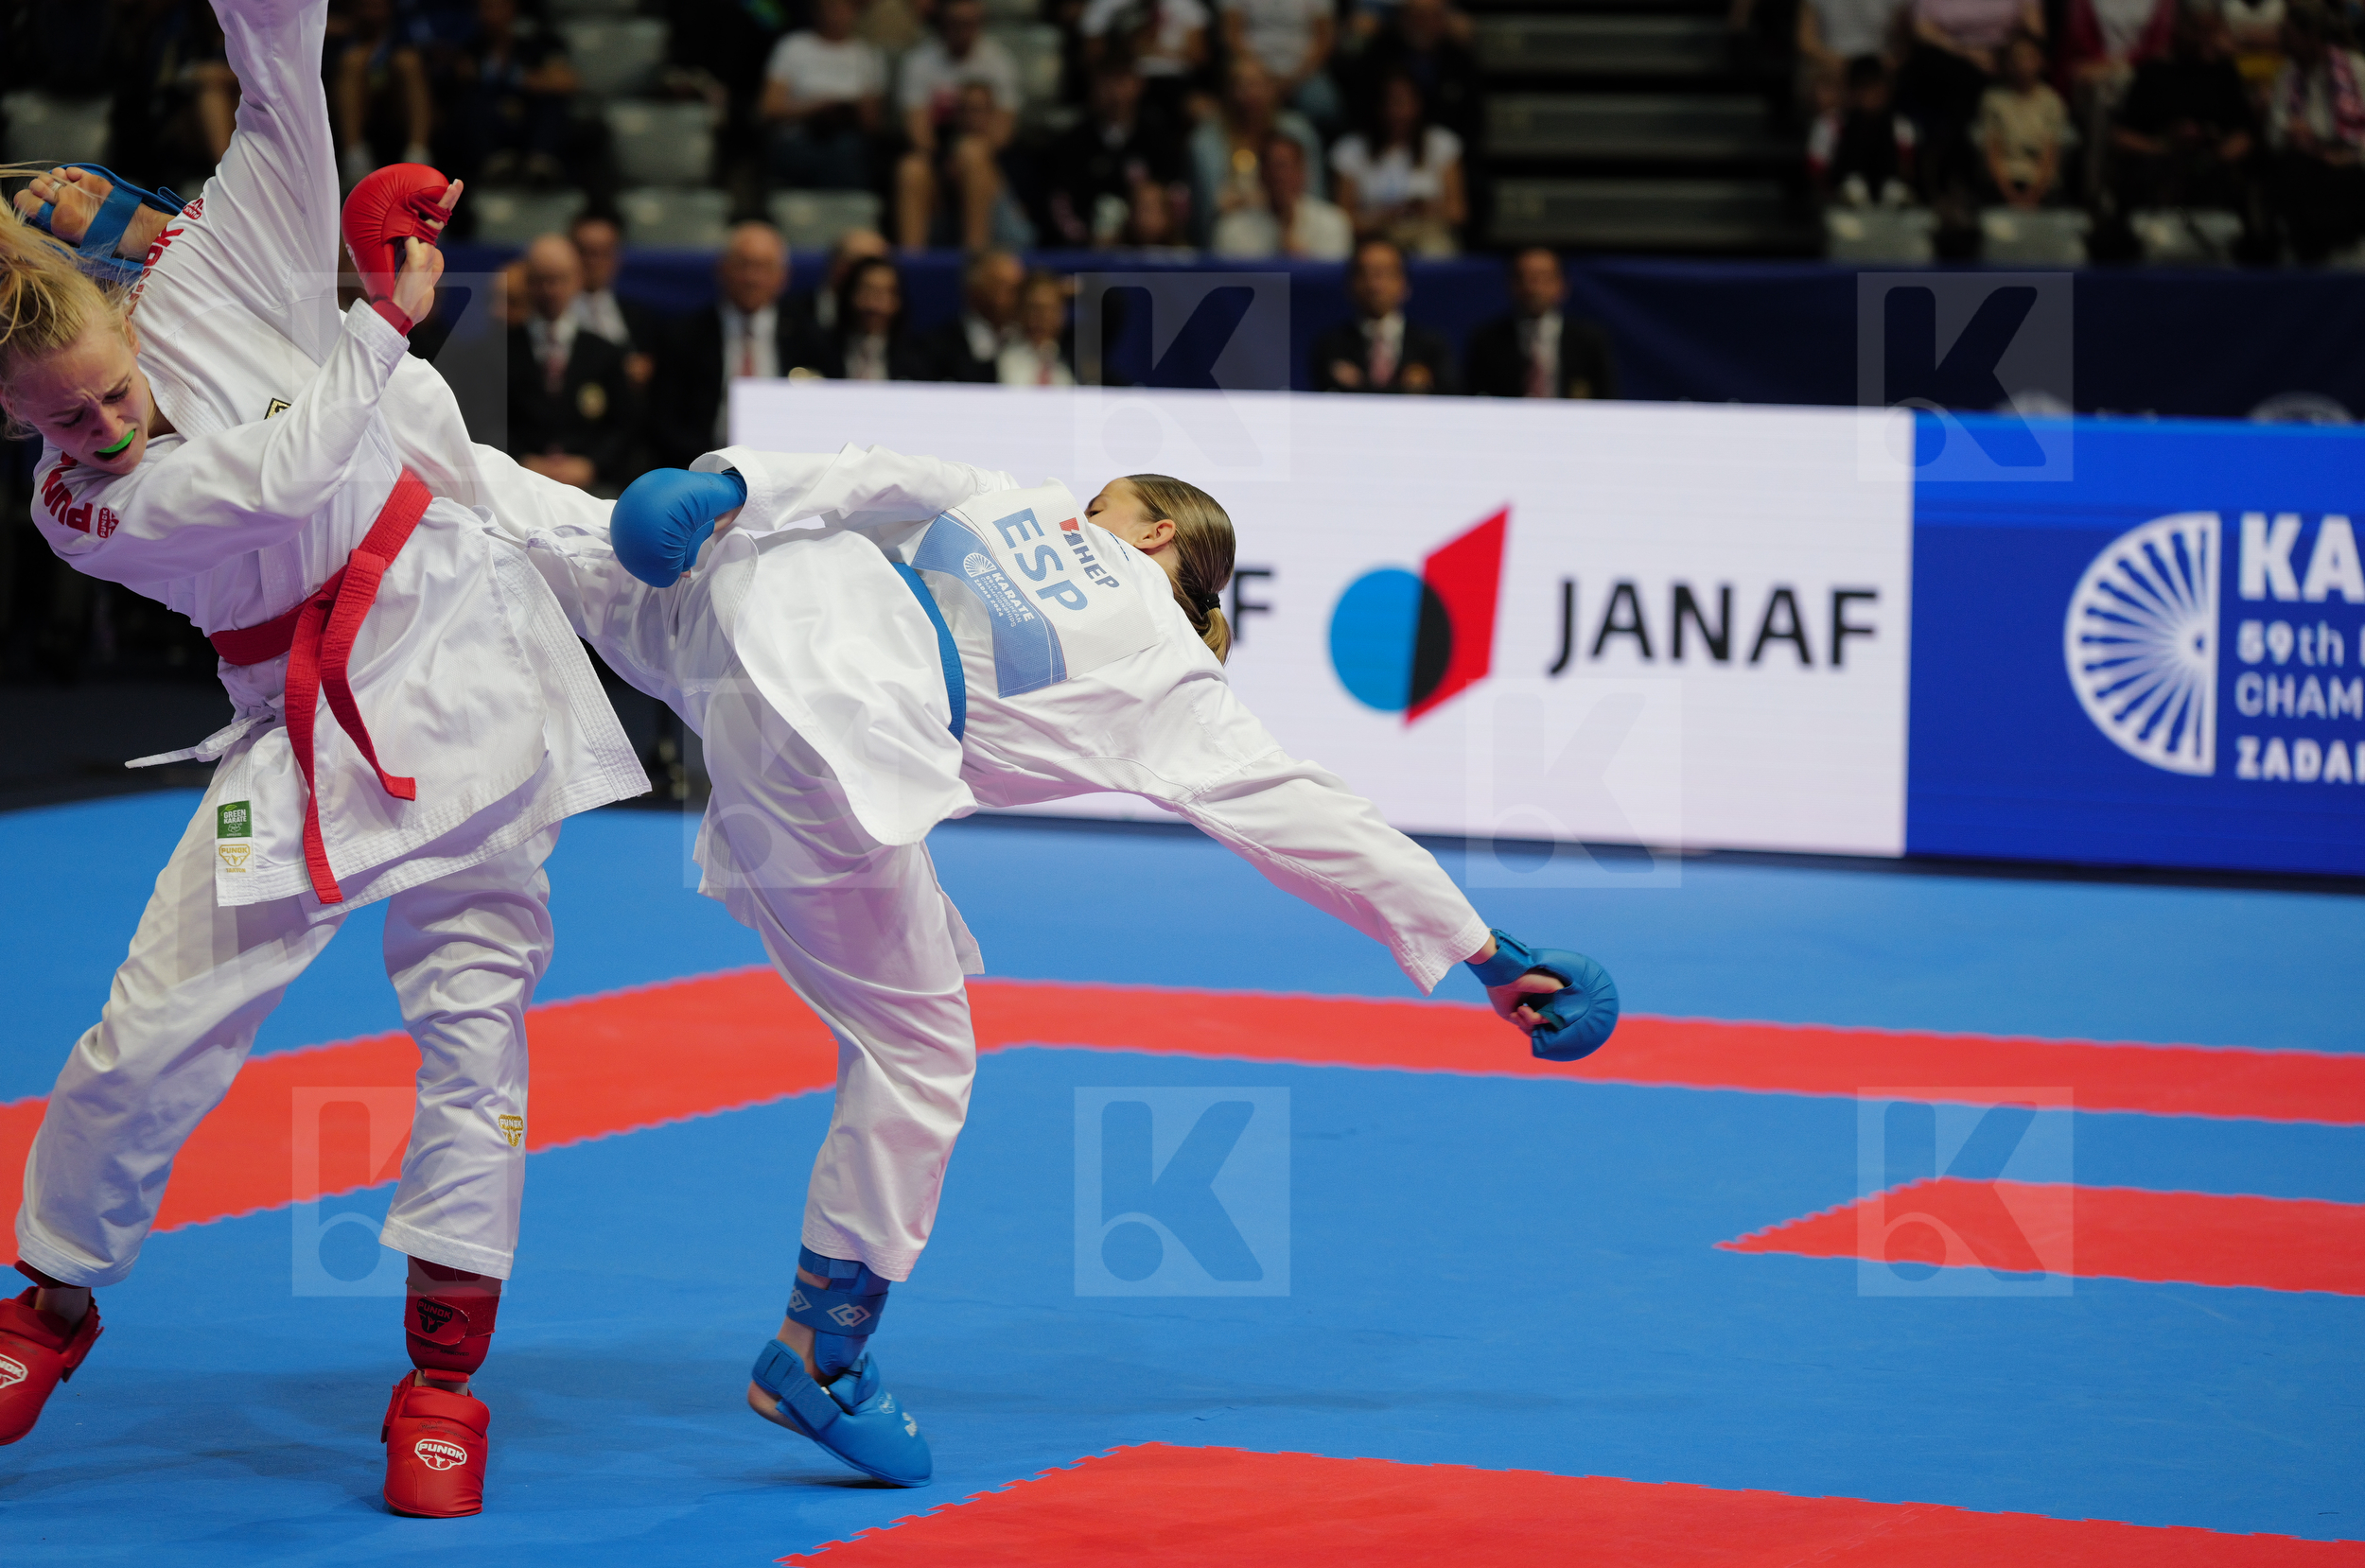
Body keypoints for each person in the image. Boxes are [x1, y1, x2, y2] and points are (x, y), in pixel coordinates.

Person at [496, 447, 1620, 1491]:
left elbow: (869, 473)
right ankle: (820, 1353)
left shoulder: (1074, 562)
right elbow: (1313, 821)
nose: (1086, 504)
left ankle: (391, 388)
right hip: (828, 743)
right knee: (918, 1055)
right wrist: (1488, 952)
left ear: (1158, 532)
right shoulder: (1161, 671)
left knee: (515, 509)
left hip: (759, 614)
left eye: (1109, 501)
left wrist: (738, 485)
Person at [0, 0, 646, 1517]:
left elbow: (281, 73)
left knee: (476, 1030)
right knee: (149, 1028)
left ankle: (442, 1380)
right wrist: (378, 321)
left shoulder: (216, 268)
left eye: (107, 387)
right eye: (59, 419)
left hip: (472, 673)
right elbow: (283, 477)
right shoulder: (77, 509)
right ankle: (49, 1301)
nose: (102, 424)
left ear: (120, 293)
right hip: (295, 729)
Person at [649, 220, 815, 472]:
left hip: (786, 472)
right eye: (743, 265)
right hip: (701, 471)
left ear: (783, 277)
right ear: (721, 269)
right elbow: (664, 420)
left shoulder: (809, 338)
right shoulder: (683, 336)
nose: (752, 278)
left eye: (763, 267)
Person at [508, 232, 639, 493]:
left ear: (578, 279)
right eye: (541, 280)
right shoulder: (499, 350)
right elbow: (485, 423)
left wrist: (591, 465)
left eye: (559, 279)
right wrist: (521, 461)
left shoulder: (606, 353)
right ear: (527, 282)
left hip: (591, 484)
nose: (550, 290)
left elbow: (625, 426)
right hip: (518, 482)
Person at [894, 0, 1028, 251]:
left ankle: (974, 256)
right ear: (942, 23)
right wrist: (947, 164)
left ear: (980, 24)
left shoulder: (999, 63)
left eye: (969, 24)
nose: (962, 31)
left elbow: (1002, 134)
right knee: (911, 169)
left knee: (972, 153)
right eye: (955, 23)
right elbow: (918, 133)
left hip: (989, 167)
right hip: (941, 164)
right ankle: (912, 264)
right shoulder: (919, 62)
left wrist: (963, 160)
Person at [2111, 6, 2256, 215]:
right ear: (2179, 27)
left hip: (2211, 172)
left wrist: (2215, 156)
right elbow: (2121, 136)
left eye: (2211, 32)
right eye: (2198, 31)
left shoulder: (2223, 73)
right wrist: (2164, 148)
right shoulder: (2153, 72)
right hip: (2157, 171)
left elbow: (2244, 135)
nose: (2205, 40)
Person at [1042, 54, 1192, 249]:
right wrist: (1087, 240)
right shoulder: (1072, 143)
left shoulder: (1159, 139)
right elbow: (1060, 203)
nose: (1116, 93)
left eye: (1122, 82)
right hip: (1089, 252)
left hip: (1153, 250)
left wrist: (1158, 229)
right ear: (1093, 87)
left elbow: (1178, 195)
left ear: (1139, 84)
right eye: (1107, 83)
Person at [434, 0, 581, 191]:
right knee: (470, 100)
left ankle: (541, 161)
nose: (487, 15)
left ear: (512, 9)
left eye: (494, 7)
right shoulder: (470, 48)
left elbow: (567, 82)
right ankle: (495, 162)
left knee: (551, 102)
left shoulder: (539, 43)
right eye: (483, 8)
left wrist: (517, 78)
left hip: (529, 121)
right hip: (491, 126)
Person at [1188, 56, 1327, 248]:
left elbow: (1313, 194)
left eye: (1256, 84)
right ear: (1228, 91)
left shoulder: (1299, 132)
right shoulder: (1205, 141)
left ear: (1271, 88)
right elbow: (1207, 206)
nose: (1250, 93)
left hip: (1294, 226)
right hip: (1237, 230)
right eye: (1241, 85)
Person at [2266, 0, 2365, 263]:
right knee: (2292, 170)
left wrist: (2345, 154)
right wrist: (2293, 135)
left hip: (2350, 164)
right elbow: (2274, 133)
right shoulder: (2287, 75)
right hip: (2306, 165)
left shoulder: (2356, 70)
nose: (2283, 42)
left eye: (2289, 35)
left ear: (2311, 36)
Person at [1329, 71, 1466, 254]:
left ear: (1419, 104)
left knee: (1435, 249)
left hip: (1428, 233)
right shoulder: (1350, 149)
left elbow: (1458, 212)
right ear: (1378, 106)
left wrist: (1425, 209)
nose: (1399, 112)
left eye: (1405, 102)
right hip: (1374, 238)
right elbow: (1341, 221)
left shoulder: (1441, 144)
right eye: (1392, 102)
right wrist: (1384, 216)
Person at [762, 0, 888, 194]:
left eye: (843, 9)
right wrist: (814, 108)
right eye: (830, 8)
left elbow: (874, 124)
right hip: (798, 135)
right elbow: (769, 107)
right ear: (817, 11)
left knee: (847, 151)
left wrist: (850, 109)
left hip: (847, 138)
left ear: (854, 12)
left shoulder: (867, 56)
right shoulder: (793, 46)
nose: (836, 15)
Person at [1463, 248, 1617, 401]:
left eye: (1543, 277)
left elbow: (1607, 399)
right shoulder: (1488, 340)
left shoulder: (1588, 340)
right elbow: (1474, 398)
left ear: (1561, 284)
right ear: (1511, 284)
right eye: (1525, 278)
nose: (1533, 288)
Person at [1311, 236, 1457, 393]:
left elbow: (1451, 394)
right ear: (1350, 284)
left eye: (1384, 274)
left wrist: (1359, 385)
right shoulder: (1332, 346)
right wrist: (1408, 389)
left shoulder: (1431, 346)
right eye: (1365, 274)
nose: (1375, 285)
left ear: (1405, 283)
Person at [334, 0, 434, 185]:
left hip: (396, 108)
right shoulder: (346, 38)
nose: (373, 14)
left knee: (408, 63)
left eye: (378, 6)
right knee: (352, 63)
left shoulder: (406, 35)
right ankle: (354, 160)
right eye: (367, 6)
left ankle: (418, 156)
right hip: (361, 108)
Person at [1211, 128, 1353, 257]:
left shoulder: (1333, 223)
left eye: (1285, 166)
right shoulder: (1232, 229)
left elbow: (1331, 275)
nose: (1279, 176)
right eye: (1271, 167)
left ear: (1303, 172)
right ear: (1260, 175)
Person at [1976, 27, 2071, 206]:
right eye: (2017, 58)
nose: (2023, 64)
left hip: (2041, 184)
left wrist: (2033, 195)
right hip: (2004, 181)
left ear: (2041, 61)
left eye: (2029, 57)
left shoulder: (2052, 101)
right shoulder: (1993, 100)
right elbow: (1992, 152)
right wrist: (2010, 195)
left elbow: (2050, 155)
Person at [1810, 52, 1920, 203]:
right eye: (1865, 88)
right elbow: (1817, 174)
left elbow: (1908, 173)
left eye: (1877, 87)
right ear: (1852, 92)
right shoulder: (1830, 125)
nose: (1872, 95)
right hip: (1841, 204)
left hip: (1890, 203)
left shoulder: (1901, 126)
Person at [567, 209, 662, 386]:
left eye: (602, 252)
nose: (592, 262)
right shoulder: (550, 315)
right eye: (584, 252)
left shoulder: (640, 319)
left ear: (617, 258)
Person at [1220, 0, 1340, 130]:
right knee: (1242, 97)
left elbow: (1324, 38)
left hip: (1302, 71)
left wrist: (1295, 77)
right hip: (1254, 67)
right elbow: (1232, 33)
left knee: (1323, 106)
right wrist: (1260, 75)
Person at [916, 247, 1023, 383]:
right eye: (1005, 287)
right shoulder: (936, 350)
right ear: (974, 290)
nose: (1018, 298)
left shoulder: (1031, 342)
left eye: (1019, 288)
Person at [816, 254, 932, 380]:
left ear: (899, 301)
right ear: (850, 295)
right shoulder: (820, 351)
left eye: (884, 294)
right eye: (867, 291)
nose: (874, 306)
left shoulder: (918, 358)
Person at [995, 269, 1075, 385]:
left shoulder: (1075, 357)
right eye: (1035, 309)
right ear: (1020, 311)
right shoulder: (999, 357)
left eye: (1051, 309)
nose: (1043, 317)